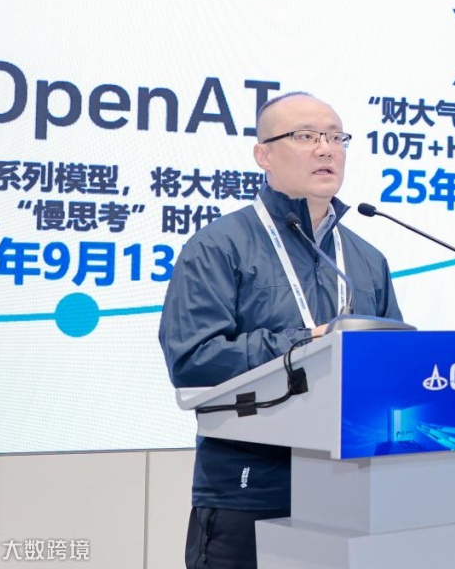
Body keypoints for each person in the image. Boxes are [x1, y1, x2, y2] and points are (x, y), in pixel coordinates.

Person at [158, 92, 403, 569]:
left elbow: (391, 359)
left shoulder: (367, 259)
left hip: (352, 485)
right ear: (263, 155)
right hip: (251, 485)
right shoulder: (218, 246)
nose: (326, 149)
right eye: (306, 136)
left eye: (336, 137)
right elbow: (192, 359)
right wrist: (306, 343)